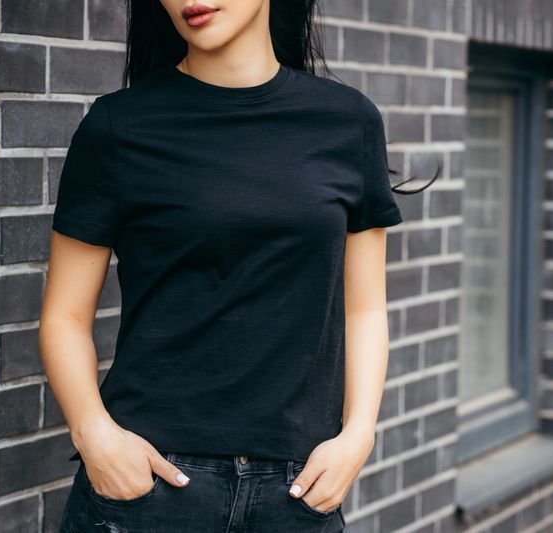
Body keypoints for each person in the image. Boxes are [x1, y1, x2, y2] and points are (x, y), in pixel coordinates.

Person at [40, 1, 437, 531]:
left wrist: (358, 435)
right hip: (151, 488)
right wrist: (94, 434)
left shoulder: (348, 122)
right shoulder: (118, 125)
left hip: (297, 492)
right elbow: (64, 316)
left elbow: (364, 308)